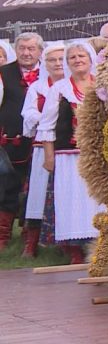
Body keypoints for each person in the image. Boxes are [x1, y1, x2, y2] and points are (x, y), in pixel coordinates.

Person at [37, 42, 105, 264]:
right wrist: (49, 157)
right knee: (71, 199)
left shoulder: (102, 86)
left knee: (98, 199)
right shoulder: (60, 89)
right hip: (68, 155)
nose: (77, 60)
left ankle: (101, 246)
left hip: (99, 154)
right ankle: (74, 249)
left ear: (91, 59)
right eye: (72, 57)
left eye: (81, 56)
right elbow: (47, 125)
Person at [19, 44, 65, 257]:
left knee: (64, 193)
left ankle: (68, 243)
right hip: (42, 146)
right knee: (38, 194)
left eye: (61, 59)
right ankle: (31, 243)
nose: (57, 63)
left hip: (66, 146)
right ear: (45, 64)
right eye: (52, 60)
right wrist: (48, 119)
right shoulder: (37, 88)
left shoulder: (74, 85)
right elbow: (28, 113)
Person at [0, 32, 43, 251]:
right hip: (11, 140)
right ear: (15, 50)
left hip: (43, 141)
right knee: (8, 185)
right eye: (22, 48)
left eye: (31, 48)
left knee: (38, 187)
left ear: (40, 51)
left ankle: (31, 235)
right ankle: (3, 234)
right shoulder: (3, 73)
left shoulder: (50, 70)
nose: (26, 53)